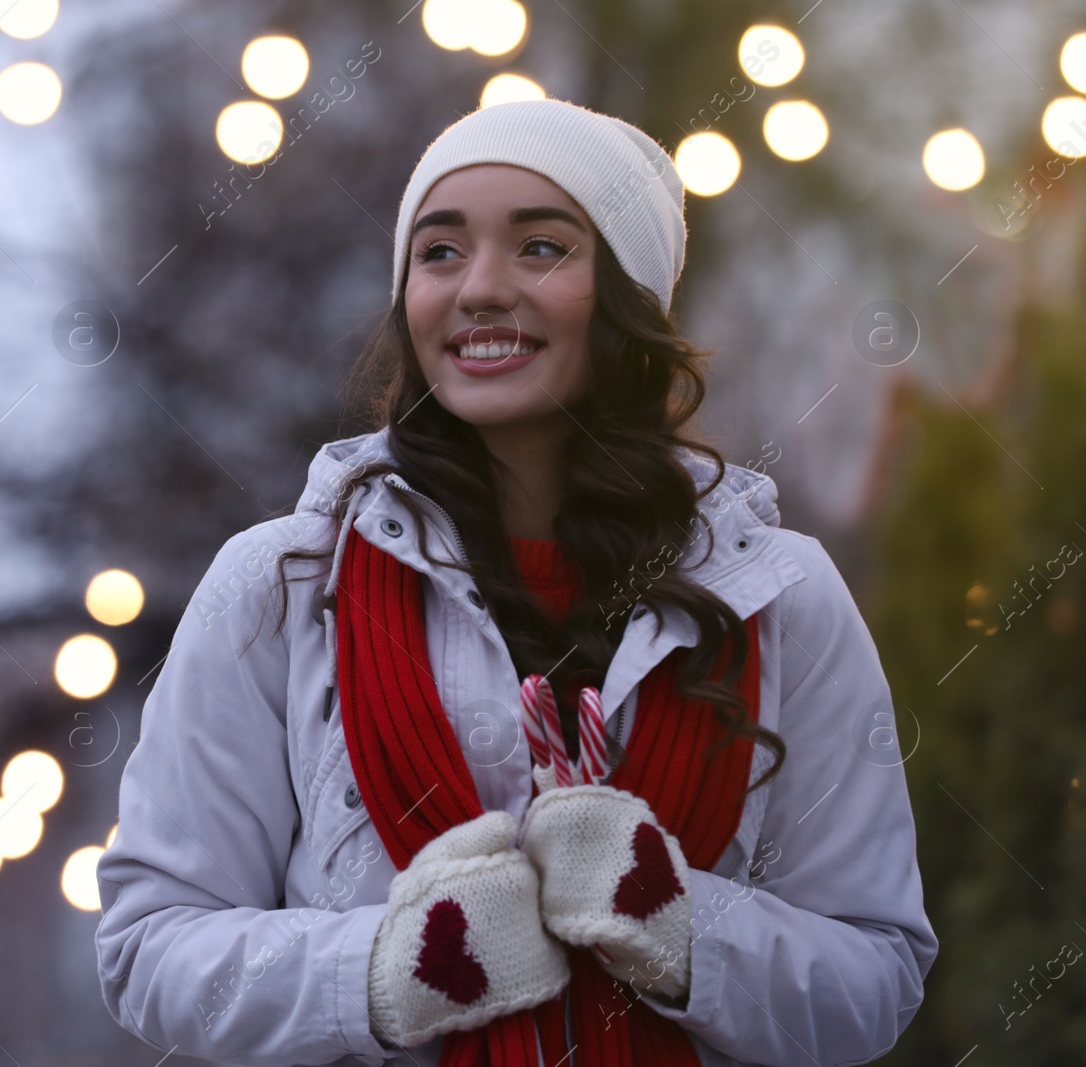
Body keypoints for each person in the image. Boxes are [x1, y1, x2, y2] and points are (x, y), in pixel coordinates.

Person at [94, 97, 937, 1067]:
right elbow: (148, 948)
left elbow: (875, 974)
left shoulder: (776, 595)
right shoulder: (281, 586)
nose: (480, 287)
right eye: (440, 251)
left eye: (541, 248)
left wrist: (678, 922)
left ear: (626, 299)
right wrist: (382, 967)